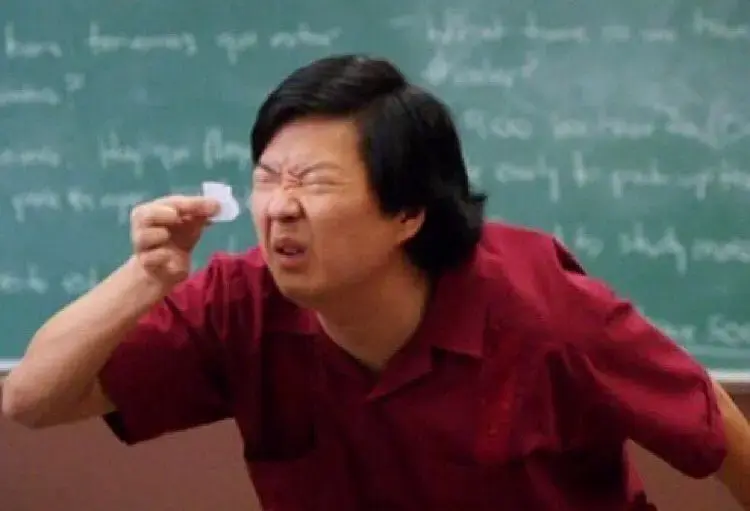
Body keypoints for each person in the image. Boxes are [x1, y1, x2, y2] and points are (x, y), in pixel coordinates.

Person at [2, 54, 748, 511]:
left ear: (408, 213)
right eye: (266, 178)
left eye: (314, 182)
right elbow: (32, 400)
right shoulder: (239, 302)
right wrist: (145, 277)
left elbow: (710, 422)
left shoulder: (538, 303)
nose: (279, 207)